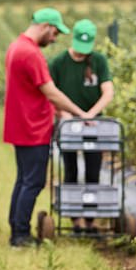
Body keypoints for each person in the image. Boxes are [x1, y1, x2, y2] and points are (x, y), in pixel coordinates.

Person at [3, 7, 95, 247]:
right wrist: (80, 113)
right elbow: (51, 92)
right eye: (55, 32)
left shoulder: (16, 46)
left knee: (24, 180)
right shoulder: (30, 53)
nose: (55, 39)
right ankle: (20, 236)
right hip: (33, 128)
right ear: (45, 26)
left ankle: (16, 228)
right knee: (33, 182)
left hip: (21, 125)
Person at [49, 19, 114, 233]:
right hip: (68, 125)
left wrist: (91, 115)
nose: (81, 53)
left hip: (94, 125)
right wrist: (65, 114)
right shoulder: (58, 63)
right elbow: (50, 95)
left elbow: (108, 91)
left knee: (93, 170)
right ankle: (74, 218)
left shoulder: (98, 61)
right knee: (71, 169)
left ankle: (90, 219)